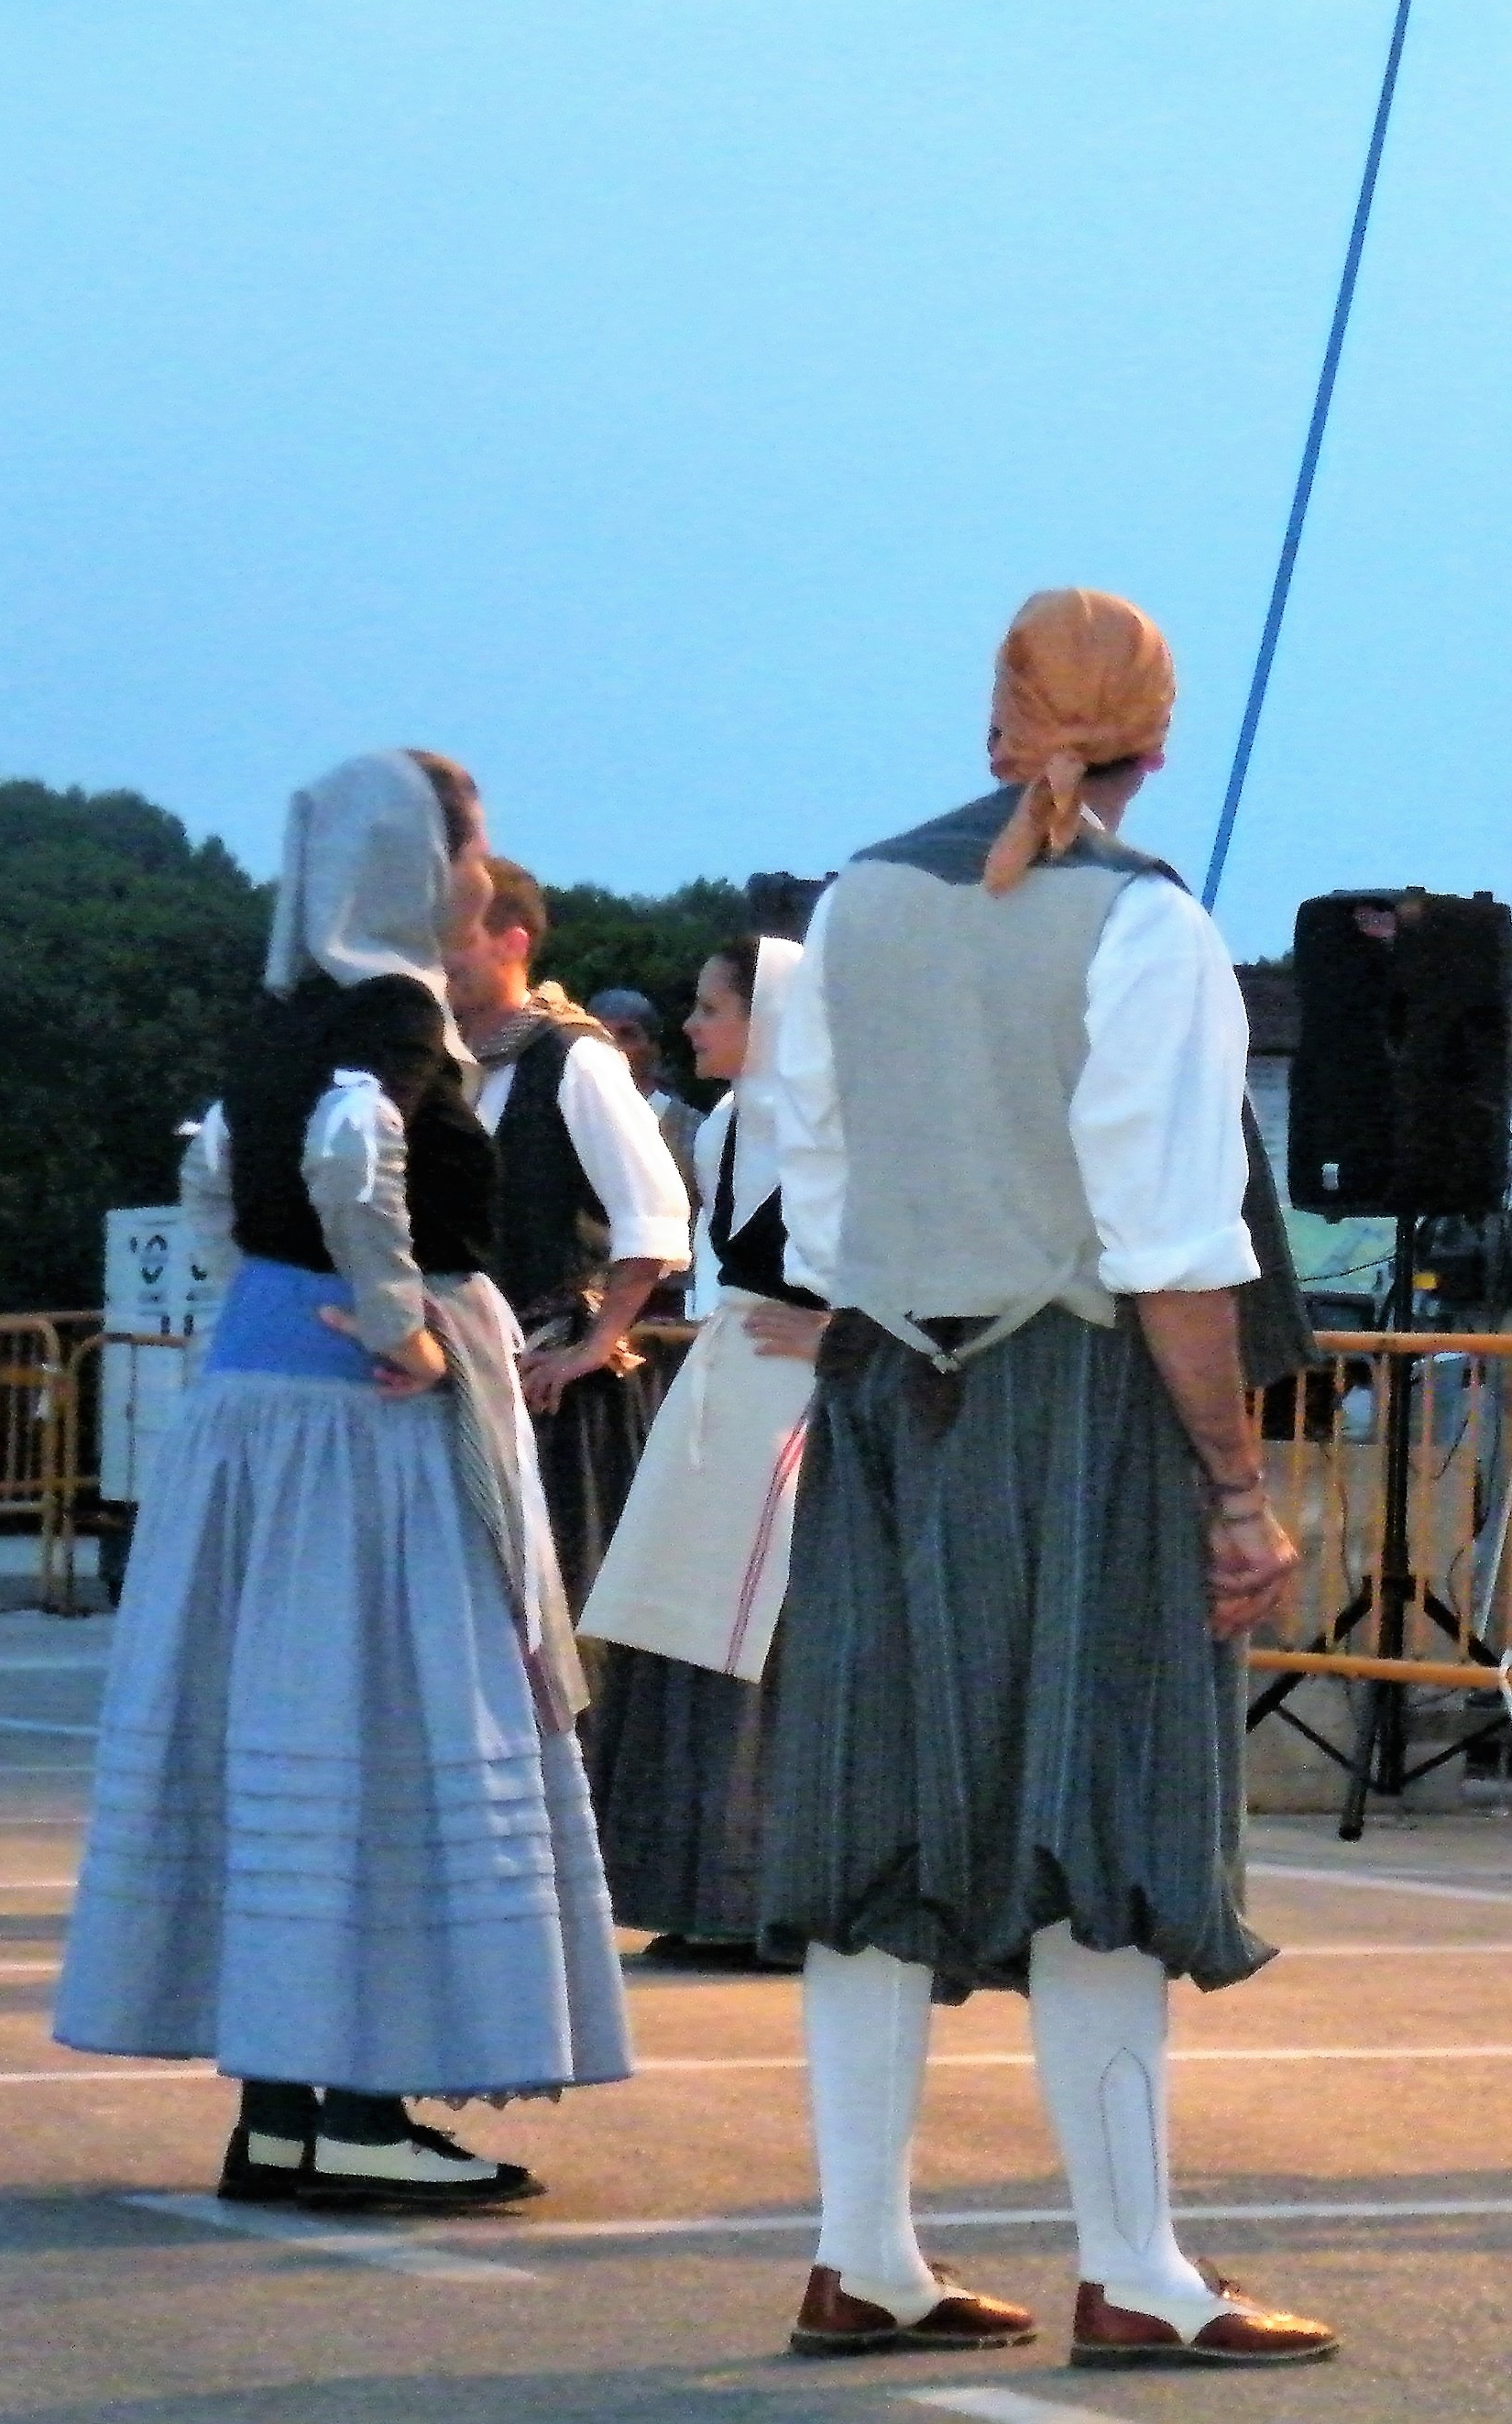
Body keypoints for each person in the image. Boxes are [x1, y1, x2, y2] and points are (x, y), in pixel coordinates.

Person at [760, 587, 1334, 2366]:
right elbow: (1175, 1251)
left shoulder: (852, 902)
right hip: (1077, 1399)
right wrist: (1234, 1488)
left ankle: (863, 2256)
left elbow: (808, 1201)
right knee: (1108, 1823)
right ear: (1155, 738)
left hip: (882, 1391)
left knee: (874, 1824)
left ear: (999, 718)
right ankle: (1135, 2270)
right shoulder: (1145, 925)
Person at [53, 747, 630, 2208]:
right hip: (361, 1427)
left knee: (286, 1731)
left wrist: (260, 1293)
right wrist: (399, 1324)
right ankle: (360, 2111)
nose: (481, 870)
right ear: (412, 861)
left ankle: (282, 2114)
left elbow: (215, 1170)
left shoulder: (285, 1010)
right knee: (390, 1729)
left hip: (260, 1404)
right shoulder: (394, 1008)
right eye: (468, 843)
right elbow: (352, 1149)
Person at [578, 938, 823, 1968]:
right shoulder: (724, 1128)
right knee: (680, 1634)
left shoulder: (841, 1128)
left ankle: (776, 1895)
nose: (691, 1025)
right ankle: (695, 1888)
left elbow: (916, 1267)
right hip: (729, 1392)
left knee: (771, 1641)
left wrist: (846, 1335)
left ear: (772, 1021)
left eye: (712, 1008)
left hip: (810, 1405)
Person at [440, 859, 693, 1605]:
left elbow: (654, 1214)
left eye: (455, 937)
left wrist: (594, 1344)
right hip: (455, 1374)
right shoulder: (439, 1061)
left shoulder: (575, 1057)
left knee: (548, 1605)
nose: (439, 957)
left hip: (545, 1388)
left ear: (512, 941)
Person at [593, 983, 709, 1216]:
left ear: (654, 1047)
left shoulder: (698, 1132)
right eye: (600, 1036)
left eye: (627, 1035)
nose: (613, 1047)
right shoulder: (568, 1124)